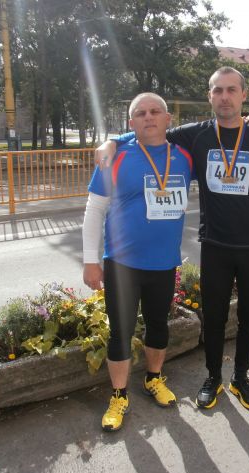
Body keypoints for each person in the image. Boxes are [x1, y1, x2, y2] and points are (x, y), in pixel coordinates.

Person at [95, 66, 249, 411]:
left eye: (231, 90)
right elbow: (151, 128)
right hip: (215, 245)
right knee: (213, 317)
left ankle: (241, 378)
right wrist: (112, 141)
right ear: (210, 96)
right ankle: (213, 377)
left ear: (243, 95)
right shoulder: (197, 135)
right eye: (218, 90)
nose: (225, 97)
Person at [82, 92, 193, 431]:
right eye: (141, 113)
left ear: (168, 119)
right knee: (121, 331)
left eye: (155, 111)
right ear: (131, 123)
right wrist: (90, 261)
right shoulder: (116, 157)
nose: (149, 117)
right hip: (122, 264)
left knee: (158, 325)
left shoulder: (185, 156)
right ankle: (118, 395)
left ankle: (153, 379)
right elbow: (94, 210)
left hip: (164, 262)